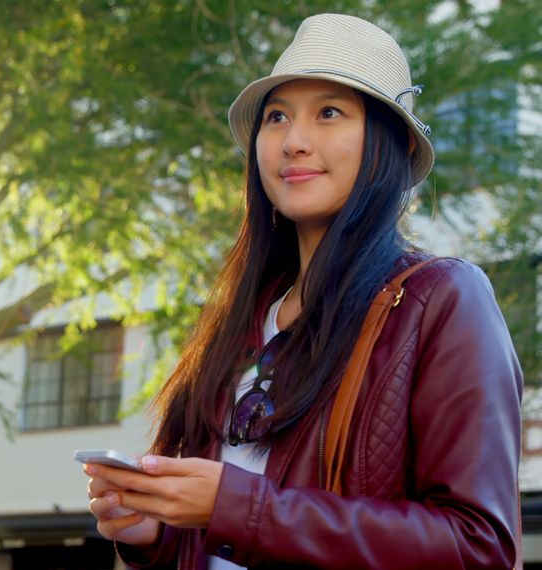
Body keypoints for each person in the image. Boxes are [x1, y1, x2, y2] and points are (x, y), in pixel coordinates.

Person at [84, 13, 523, 569]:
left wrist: (237, 506)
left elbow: (477, 547)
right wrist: (156, 528)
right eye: (277, 117)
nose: (293, 141)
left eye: (329, 113)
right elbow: (221, 534)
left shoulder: (442, 299)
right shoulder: (239, 317)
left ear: (393, 142)